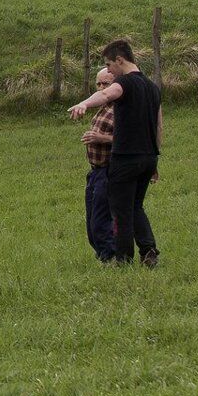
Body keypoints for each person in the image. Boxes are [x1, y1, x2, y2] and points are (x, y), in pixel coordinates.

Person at [67, 38, 161, 266]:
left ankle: (123, 259)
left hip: (126, 158)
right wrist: (156, 159)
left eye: (109, 65)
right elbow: (159, 126)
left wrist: (84, 104)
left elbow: (107, 95)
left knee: (120, 211)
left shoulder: (125, 83)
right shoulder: (153, 88)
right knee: (136, 206)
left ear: (120, 60)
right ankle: (148, 250)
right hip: (148, 157)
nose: (108, 70)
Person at [81, 67, 117, 263]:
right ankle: (103, 254)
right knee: (91, 219)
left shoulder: (120, 108)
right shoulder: (103, 107)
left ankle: (110, 256)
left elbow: (128, 138)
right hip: (95, 171)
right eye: (99, 84)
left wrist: (101, 137)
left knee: (100, 219)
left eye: (106, 84)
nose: (102, 88)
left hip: (108, 170)